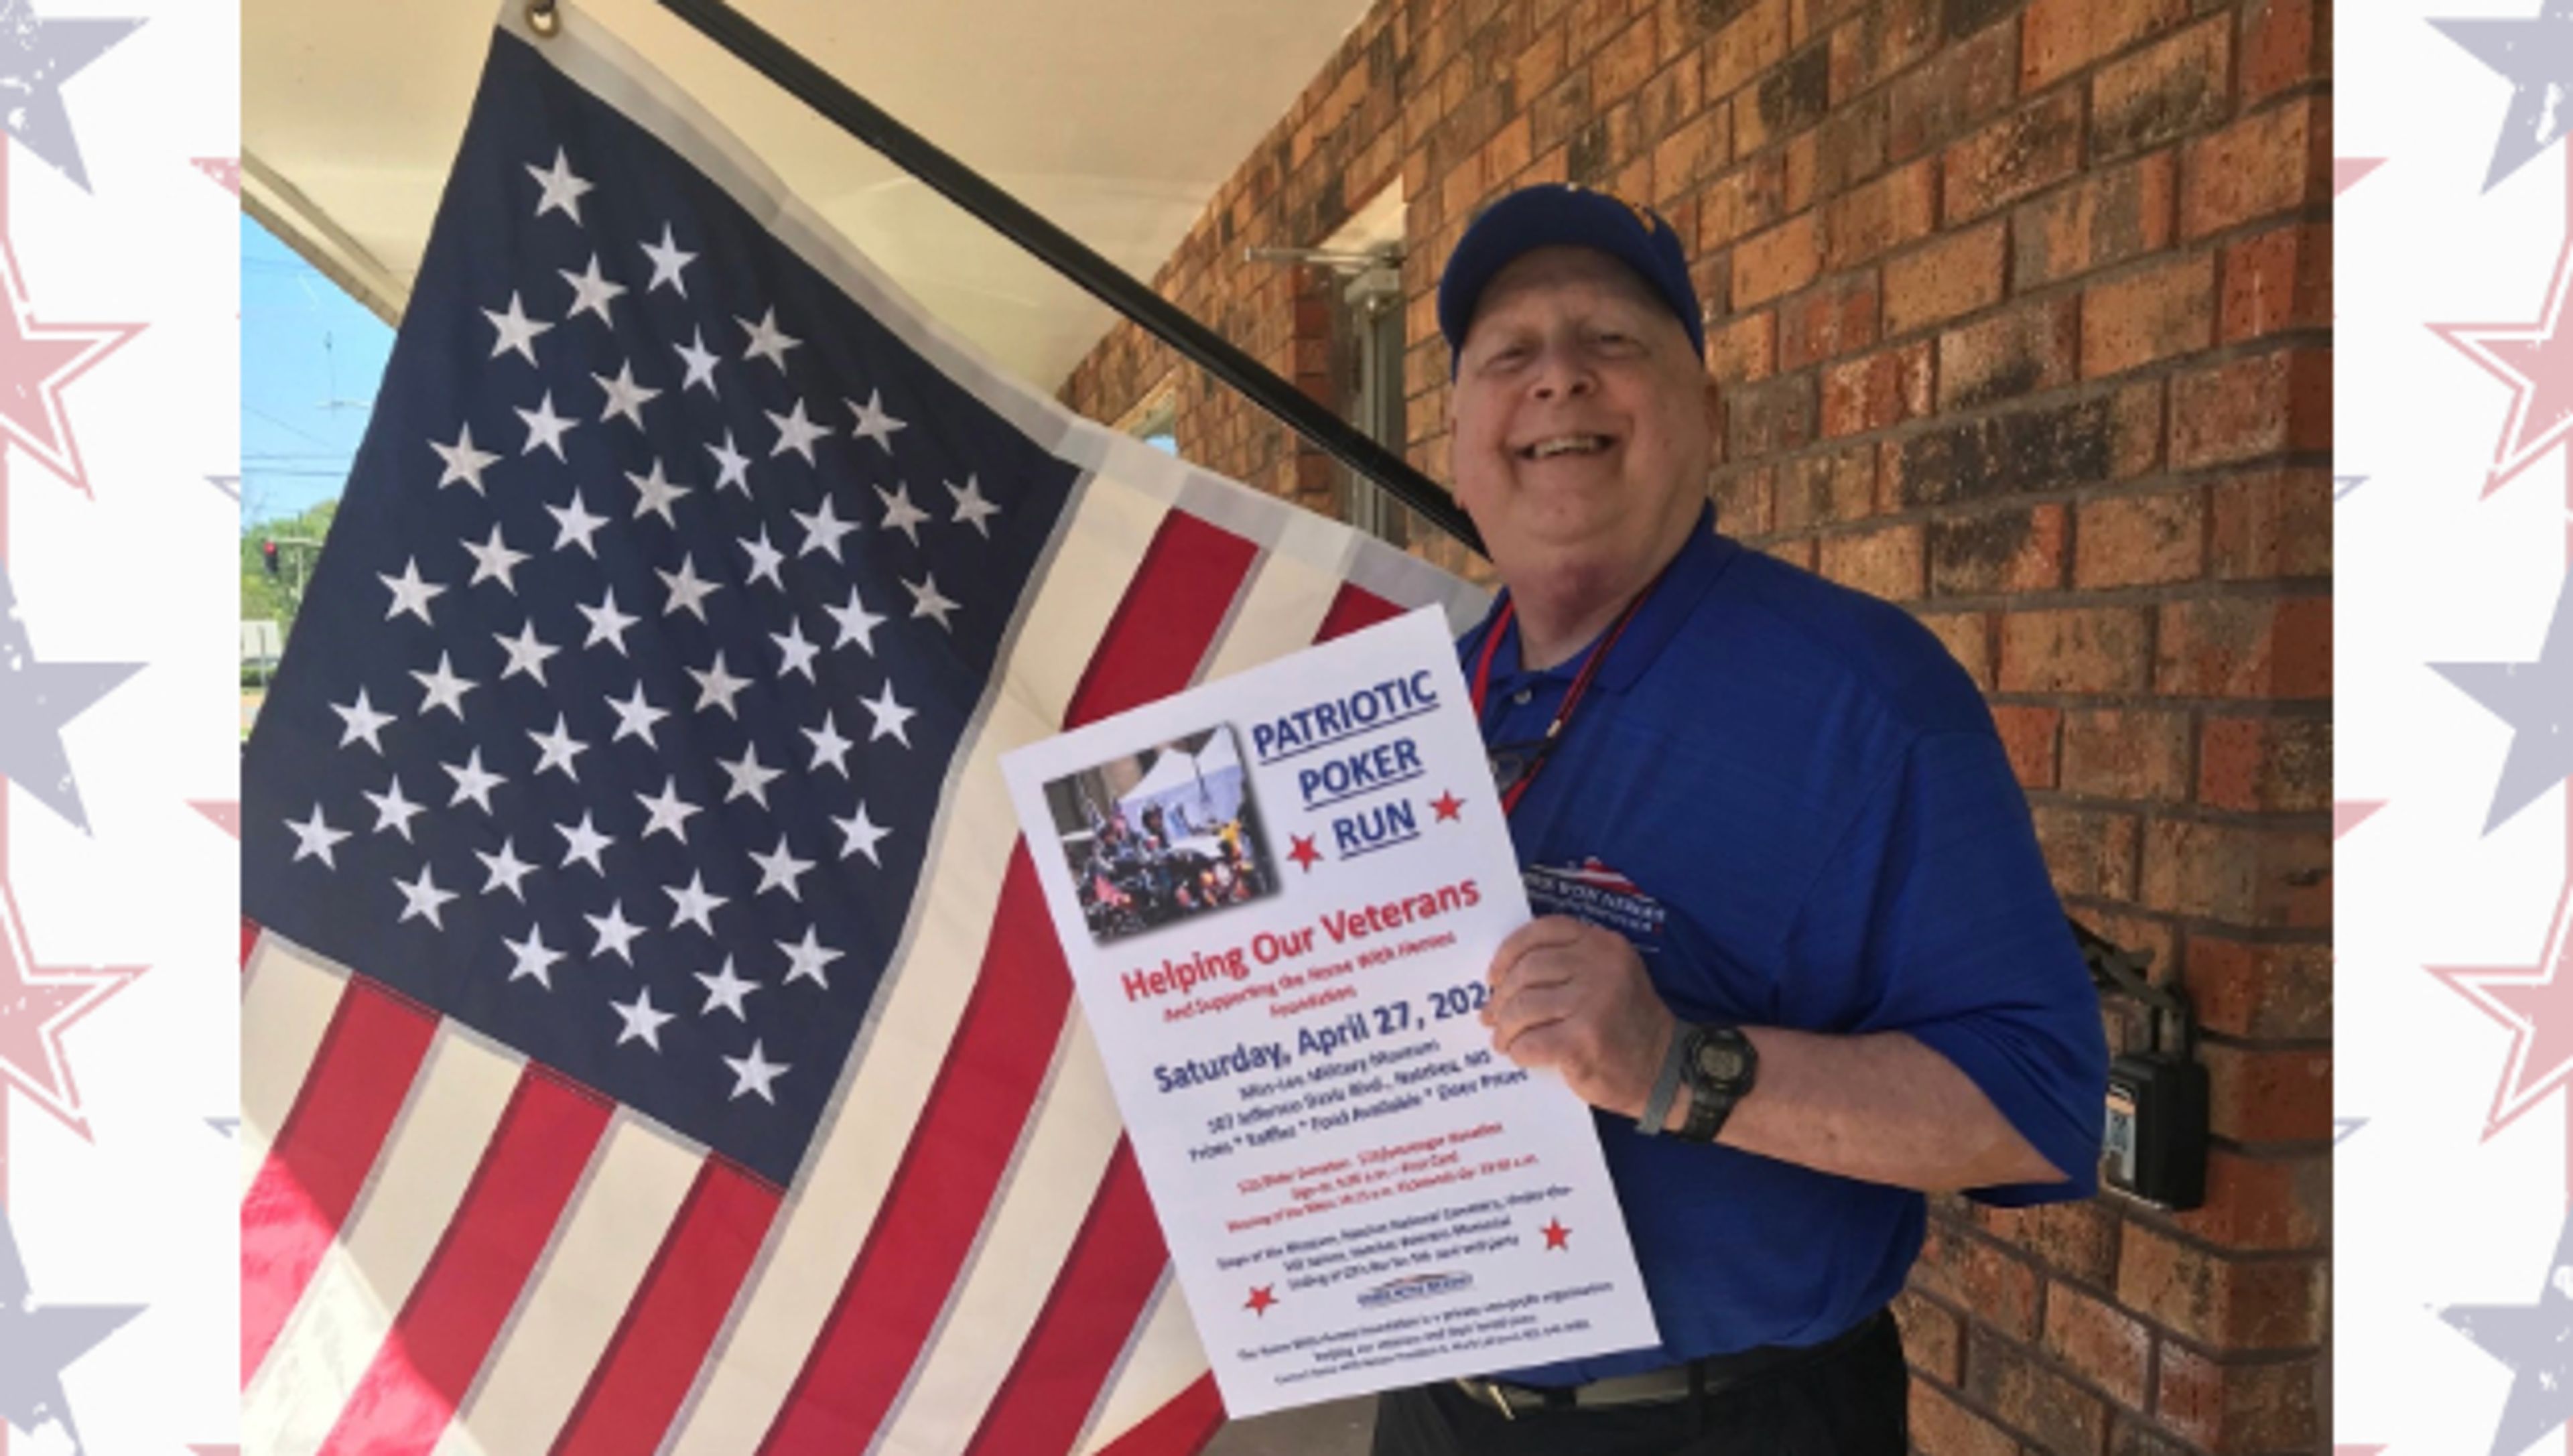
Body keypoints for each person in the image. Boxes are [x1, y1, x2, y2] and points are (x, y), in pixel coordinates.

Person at [1367, 184, 2109, 1455]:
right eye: (1510, 354)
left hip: (1728, 1422)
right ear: (1458, 436)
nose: (1558, 382)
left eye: (1611, 341)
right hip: (1435, 1413)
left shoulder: (1863, 694)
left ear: (1707, 415)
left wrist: (1680, 1066)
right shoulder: (1405, 701)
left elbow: (2037, 1101)